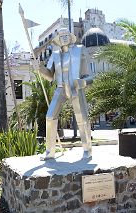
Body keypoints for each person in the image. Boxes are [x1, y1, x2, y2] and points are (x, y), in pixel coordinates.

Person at [38, 28, 92, 159]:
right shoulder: (55, 55)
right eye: (61, 36)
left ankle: (87, 150)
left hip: (75, 88)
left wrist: (83, 83)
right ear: (58, 40)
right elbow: (50, 76)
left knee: (82, 119)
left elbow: (90, 77)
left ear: (70, 37)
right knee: (50, 117)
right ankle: (50, 152)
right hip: (60, 89)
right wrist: (39, 68)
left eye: (66, 35)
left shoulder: (79, 50)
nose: (64, 37)